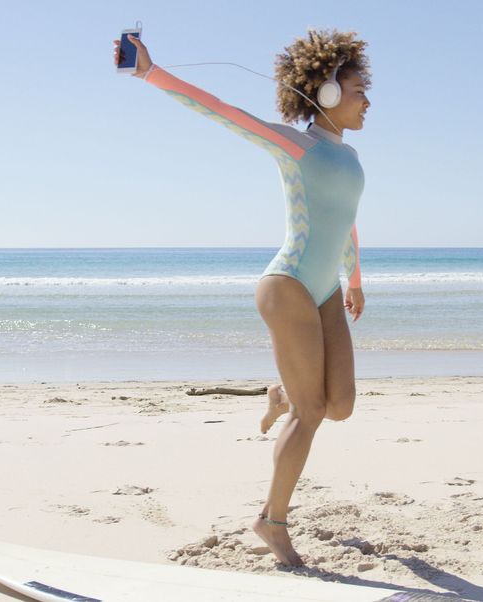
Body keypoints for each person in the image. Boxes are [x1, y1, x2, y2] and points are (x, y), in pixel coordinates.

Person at [113, 27, 372, 567]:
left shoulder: (352, 161)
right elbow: (221, 109)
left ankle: (280, 392)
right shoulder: (296, 146)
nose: (365, 100)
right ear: (324, 94)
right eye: (355, 89)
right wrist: (151, 72)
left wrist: (353, 278)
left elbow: (345, 220)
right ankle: (271, 521)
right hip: (289, 285)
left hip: (324, 288)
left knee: (340, 405)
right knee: (312, 410)